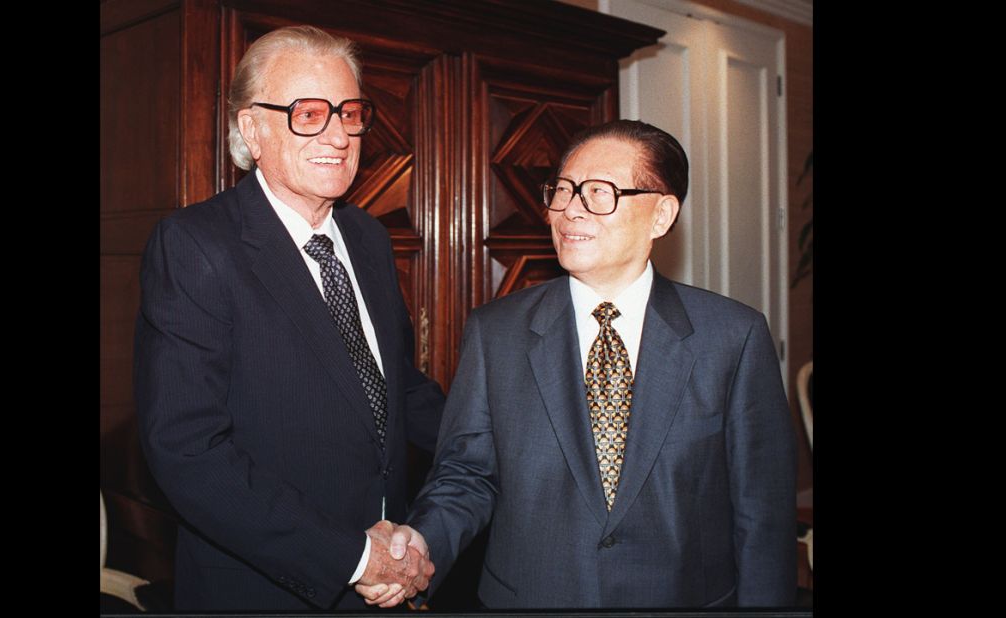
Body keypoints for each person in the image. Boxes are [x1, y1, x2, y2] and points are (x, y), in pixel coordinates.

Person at [358, 119, 797, 608]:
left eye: (598, 193)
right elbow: (467, 475)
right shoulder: (496, 333)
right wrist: (421, 543)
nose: (569, 211)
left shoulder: (732, 337)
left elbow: (763, 516)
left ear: (661, 214)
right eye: (562, 191)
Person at [134, 25, 443, 611]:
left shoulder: (369, 238)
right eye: (308, 113)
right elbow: (187, 449)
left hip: (394, 576)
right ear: (251, 128)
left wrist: (502, 444)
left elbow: (396, 388)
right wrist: (351, 557)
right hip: (268, 588)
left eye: (349, 112)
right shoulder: (196, 245)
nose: (338, 133)